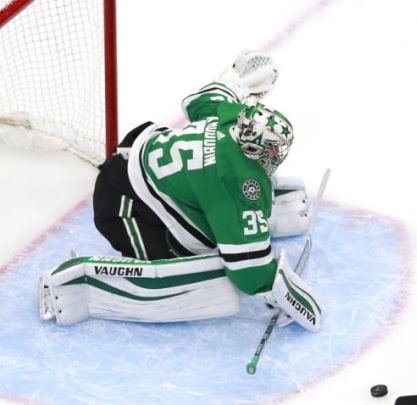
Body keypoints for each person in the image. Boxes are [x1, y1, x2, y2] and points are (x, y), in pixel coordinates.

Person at [38, 50, 321, 332]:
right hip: (125, 208)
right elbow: (247, 271)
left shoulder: (231, 118)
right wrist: (280, 292)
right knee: (194, 257)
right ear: (250, 146)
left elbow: (202, 100)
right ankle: (88, 289)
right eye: (270, 148)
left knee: (215, 207)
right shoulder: (235, 180)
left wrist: (239, 80)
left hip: (130, 158)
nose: (275, 154)